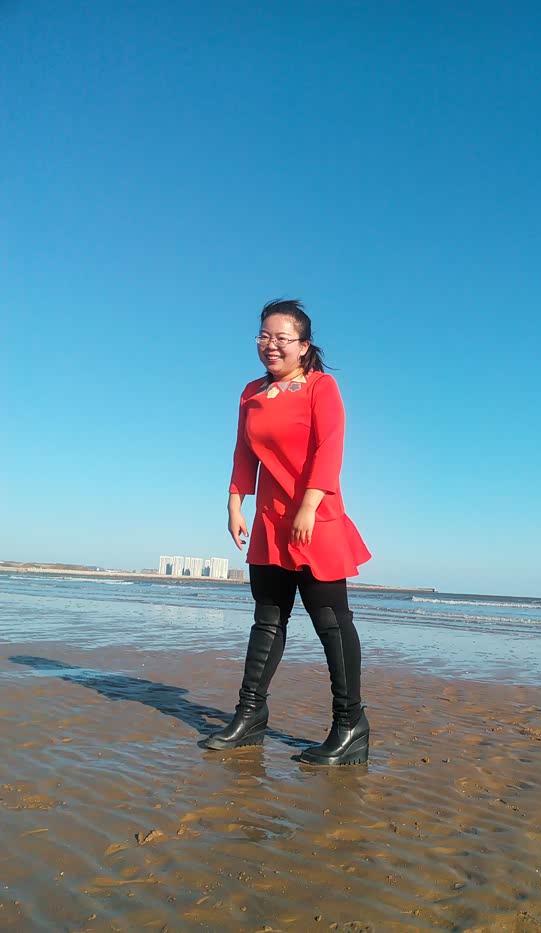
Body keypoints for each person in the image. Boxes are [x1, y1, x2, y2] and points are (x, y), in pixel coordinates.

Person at [204, 299, 372, 765]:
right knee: (268, 620)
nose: (271, 345)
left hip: (315, 518)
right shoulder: (251, 392)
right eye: (264, 336)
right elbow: (243, 452)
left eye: (282, 338)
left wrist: (310, 505)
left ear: (303, 345)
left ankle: (349, 724)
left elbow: (329, 447)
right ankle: (250, 716)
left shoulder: (321, 387)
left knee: (331, 622)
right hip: (270, 519)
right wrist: (235, 503)